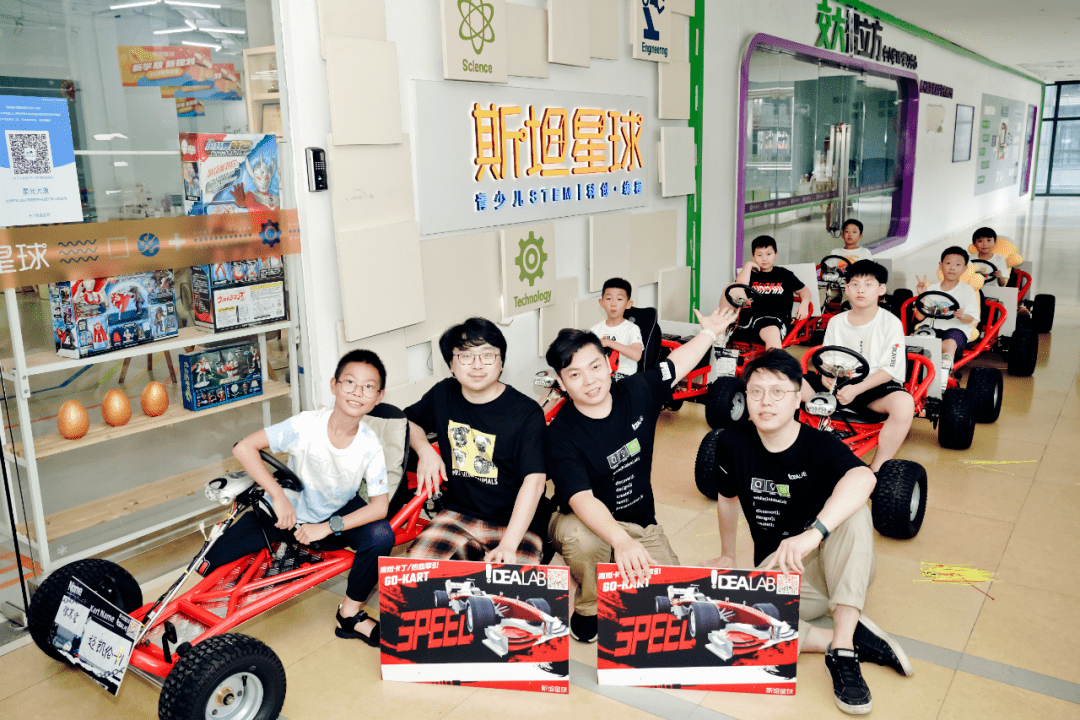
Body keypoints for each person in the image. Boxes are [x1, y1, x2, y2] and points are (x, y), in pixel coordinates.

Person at [706, 350, 913, 714]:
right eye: (756, 392)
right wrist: (727, 554)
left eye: (778, 392)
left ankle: (844, 651)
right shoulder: (731, 442)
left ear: (798, 396)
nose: (766, 402)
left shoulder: (819, 445)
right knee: (726, 616)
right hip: (785, 572)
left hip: (839, 563)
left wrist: (813, 533)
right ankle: (839, 636)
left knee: (854, 513)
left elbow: (865, 478)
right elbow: (726, 498)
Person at [545, 306, 738, 643]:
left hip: (638, 520)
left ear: (609, 364)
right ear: (561, 383)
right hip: (579, 520)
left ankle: (609, 562)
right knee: (583, 540)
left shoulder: (636, 391)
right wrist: (621, 542)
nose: (589, 380)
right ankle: (589, 605)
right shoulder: (561, 433)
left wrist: (709, 333)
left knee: (674, 598)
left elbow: (675, 366)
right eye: (575, 374)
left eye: (594, 366)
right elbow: (581, 499)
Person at [201, 349, 398, 646]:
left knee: (381, 536)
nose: (358, 392)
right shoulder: (306, 425)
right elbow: (244, 448)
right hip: (285, 513)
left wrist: (327, 527)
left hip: (332, 516)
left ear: (378, 396)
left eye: (368, 387)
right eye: (349, 382)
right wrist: (277, 495)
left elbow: (379, 507)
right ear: (334, 385)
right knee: (209, 562)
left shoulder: (370, 445)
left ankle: (349, 615)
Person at [406, 317, 547, 564]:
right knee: (414, 574)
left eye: (487, 355)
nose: (477, 365)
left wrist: (508, 545)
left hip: (515, 523)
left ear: (501, 362)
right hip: (458, 515)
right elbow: (408, 421)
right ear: (451, 364)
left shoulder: (526, 413)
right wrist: (425, 450)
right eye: (466, 356)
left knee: (514, 584)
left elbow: (534, 482)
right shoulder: (444, 393)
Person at [801, 260, 914, 472]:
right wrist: (825, 374)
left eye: (868, 284)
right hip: (838, 383)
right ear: (847, 288)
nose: (860, 290)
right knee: (787, 380)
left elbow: (890, 370)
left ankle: (877, 467)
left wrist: (856, 389)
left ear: (881, 289)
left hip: (872, 387)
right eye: (854, 284)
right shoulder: (836, 321)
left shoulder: (890, 323)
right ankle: (790, 447)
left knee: (904, 403)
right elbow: (827, 358)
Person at [724, 235, 811, 350]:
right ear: (753, 256)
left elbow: (804, 290)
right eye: (759, 255)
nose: (764, 259)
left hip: (773, 320)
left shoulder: (784, 274)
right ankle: (720, 333)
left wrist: (804, 303)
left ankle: (774, 361)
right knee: (731, 288)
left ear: (776, 255)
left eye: (768, 254)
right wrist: (748, 266)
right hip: (748, 319)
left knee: (771, 331)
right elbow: (739, 287)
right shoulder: (748, 274)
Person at [914, 246, 980, 367]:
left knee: (950, 342)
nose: (952, 268)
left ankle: (945, 368)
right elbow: (919, 317)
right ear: (941, 265)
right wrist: (921, 296)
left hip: (956, 328)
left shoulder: (967, 290)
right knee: (914, 338)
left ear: (964, 269)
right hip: (931, 326)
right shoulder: (931, 288)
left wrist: (962, 316)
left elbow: (971, 319)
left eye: (958, 265)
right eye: (948, 263)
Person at [590, 277, 644, 380]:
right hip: (600, 376)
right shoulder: (595, 329)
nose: (613, 304)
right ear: (601, 302)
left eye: (619, 299)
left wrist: (608, 342)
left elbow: (637, 355)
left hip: (624, 376)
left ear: (628, 304)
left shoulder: (632, 329)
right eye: (608, 299)